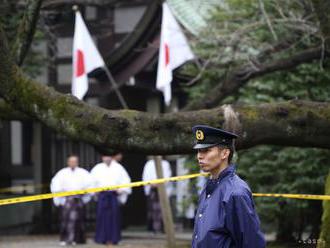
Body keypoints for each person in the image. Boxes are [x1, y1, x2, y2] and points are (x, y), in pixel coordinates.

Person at [191, 125, 266, 248]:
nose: (199, 156)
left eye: (207, 150)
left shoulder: (235, 193)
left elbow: (252, 242)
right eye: (199, 150)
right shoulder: (208, 187)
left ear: (225, 153)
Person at [50, 155, 93, 246]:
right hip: (66, 200)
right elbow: (55, 185)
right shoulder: (62, 173)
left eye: (74, 161)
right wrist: (63, 192)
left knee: (78, 220)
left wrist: (83, 192)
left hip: (78, 199)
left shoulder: (83, 173)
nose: (73, 163)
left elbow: (90, 186)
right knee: (65, 220)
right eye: (71, 161)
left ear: (77, 162)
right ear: (68, 162)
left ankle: (78, 239)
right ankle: (65, 238)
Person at [90, 153, 132, 247]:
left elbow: (126, 181)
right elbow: (91, 181)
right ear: (102, 157)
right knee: (102, 217)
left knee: (114, 217)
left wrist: (121, 190)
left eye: (108, 156)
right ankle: (101, 238)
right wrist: (94, 190)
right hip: (102, 196)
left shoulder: (118, 167)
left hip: (113, 195)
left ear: (111, 157)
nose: (107, 158)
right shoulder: (97, 168)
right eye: (105, 156)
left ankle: (114, 238)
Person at [142, 157, 173, 233]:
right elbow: (145, 176)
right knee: (152, 210)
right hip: (152, 189)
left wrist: (160, 183)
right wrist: (151, 183)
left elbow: (168, 176)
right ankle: (154, 228)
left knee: (163, 209)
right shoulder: (148, 164)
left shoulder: (165, 164)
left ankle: (163, 228)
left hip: (163, 189)